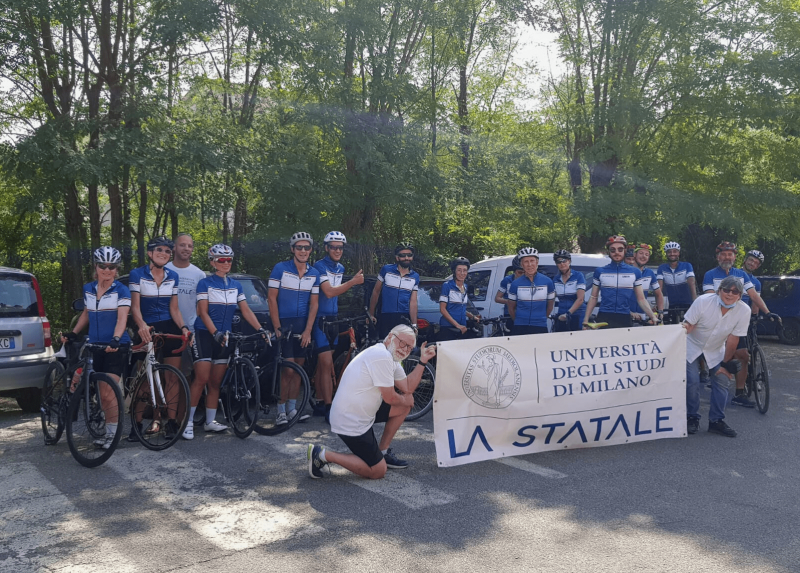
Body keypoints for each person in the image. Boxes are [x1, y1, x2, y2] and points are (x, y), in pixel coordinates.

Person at [307, 325, 436, 479]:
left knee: (405, 405)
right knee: (378, 471)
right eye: (402, 343)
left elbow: (407, 387)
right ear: (390, 337)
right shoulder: (381, 355)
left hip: (361, 412)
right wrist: (405, 399)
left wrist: (422, 362)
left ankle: (382, 452)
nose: (404, 349)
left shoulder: (391, 356)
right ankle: (322, 455)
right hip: (351, 421)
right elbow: (390, 398)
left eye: (409, 347)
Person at [184, 244, 266, 439]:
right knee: (201, 378)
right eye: (222, 260)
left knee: (215, 382)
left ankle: (210, 421)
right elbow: (202, 312)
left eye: (229, 259)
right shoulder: (205, 283)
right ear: (213, 262)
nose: (226, 263)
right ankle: (186, 422)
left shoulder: (235, 285)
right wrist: (215, 333)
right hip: (205, 334)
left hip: (225, 336)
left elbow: (245, 310)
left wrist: (261, 329)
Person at [63, 247, 130, 449]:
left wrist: (116, 339)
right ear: (96, 266)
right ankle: (107, 430)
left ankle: (111, 436)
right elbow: (86, 313)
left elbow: (122, 318)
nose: (107, 270)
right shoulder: (88, 288)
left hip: (116, 346)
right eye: (103, 266)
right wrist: (74, 333)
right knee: (101, 392)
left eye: (112, 267)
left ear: (117, 269)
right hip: (96, 345)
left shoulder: (121, 290)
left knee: (108, 392)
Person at [128, 236, 189, 441]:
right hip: (146, 327)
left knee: (173, 377)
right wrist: (142, 325)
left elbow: (174, 308)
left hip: (168, 327)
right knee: (143, 379)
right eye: (159, 250)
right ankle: (136, 424)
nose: (164, 253)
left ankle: (171, 423)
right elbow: (135, 307)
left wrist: (183, 327)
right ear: (150, 253)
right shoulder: (137, 274)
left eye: (167, 251)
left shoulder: (173, 276)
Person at [702, 242, 778, 408]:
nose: (727, 257)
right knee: (719, 357)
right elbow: (709, 298)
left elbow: (753, 295)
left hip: (737, 322)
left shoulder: (742, 275)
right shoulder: (710, 275)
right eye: (723, 254)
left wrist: (767, 312)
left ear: (735, 257)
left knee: (743, 355)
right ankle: (717, 385)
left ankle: (739, 393)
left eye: (730, 255)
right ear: (718, 256)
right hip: (717, 322)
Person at [682, 276, 751, 437]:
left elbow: (733, 339)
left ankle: (716, 421)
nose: (729, 294)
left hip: (716, 349)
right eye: (726, 289)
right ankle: (692, 417)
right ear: (719, 290)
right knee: (692, 381)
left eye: (735, 291)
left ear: (740, 295)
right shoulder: (703, 301)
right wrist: (682, 329)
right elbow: (689, 325)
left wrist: (725, 365)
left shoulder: (744, 310)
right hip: (692, 345)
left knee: (722, 380)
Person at [268, 232, 320, 425]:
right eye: (299, 247)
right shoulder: (280, 268)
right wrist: (277, 326)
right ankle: (280, 411)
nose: (303, 251)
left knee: (298, 369)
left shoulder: (313, 273)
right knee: (287, 370)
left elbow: (314, 305)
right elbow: (271, 298)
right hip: (284, 324)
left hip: (302, 325)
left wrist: (308, 330)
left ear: (311, 250)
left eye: (307, 248)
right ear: (292, 249)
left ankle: (292, 409)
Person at [312, 231, 364, 423]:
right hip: (320, 320)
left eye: (340, 247)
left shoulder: (340, 267)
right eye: (333, 247)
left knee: (323, 364)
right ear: (326, 248)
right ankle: (328, 407)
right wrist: (352, 282)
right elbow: (329, 292)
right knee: (326, 364)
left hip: (333, 318)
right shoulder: (319, 266)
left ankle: (318, 400)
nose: (337, 250)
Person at [583, 235, 658, 329]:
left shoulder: (635, 272)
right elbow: (594, 297)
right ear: (608, 252)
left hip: (624, 317)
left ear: (625, 250)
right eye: (613, 250)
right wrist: (585, 320)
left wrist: (652, 316)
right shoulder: (600, 271)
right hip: (604, 315)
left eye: (620, 249)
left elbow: (641, 299)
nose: (616, 253)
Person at [166, 233, 207, 375]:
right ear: (174, 248)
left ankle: (186, 399)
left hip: (189, 332)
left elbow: (201, 306)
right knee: (163, 375)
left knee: (186, 375)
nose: (186, 248)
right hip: (166, 330)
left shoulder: (199, 274)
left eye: (190, 246)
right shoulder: (164, 269)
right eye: (182, 245)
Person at [369, 242, 420, 338]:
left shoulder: (415, 277)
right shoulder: (386, 270)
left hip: (404, 317)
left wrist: (414, 324)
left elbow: (413, 302)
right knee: (385, 347)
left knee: (401, 348)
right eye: (402, 255)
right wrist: (371, 314)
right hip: (386, 315)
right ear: (397, 257)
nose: (406, 258)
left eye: (409, 255)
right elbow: (376, 292)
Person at [506, 247, 555, 335]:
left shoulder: (548, 282)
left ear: (537, 262)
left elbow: (550, 306)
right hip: (520, 326)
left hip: (540, 326)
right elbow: (511, 308)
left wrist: (542, 318)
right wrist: (518, 320)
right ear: (521, 264)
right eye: (526, 261)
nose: (529, 265)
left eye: (532, 261)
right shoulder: (515, 284)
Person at [438, 257, 480, 341]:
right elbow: (442, 309)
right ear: (454, 271)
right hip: (449, 328)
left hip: (462, 327)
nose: (462, 273)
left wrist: (472, 316)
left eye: (465, 270)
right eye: (459, 270)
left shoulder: (465, 287)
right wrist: (457, 325)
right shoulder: (447, 286)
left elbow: (459, 308)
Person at [656, 241, 697, 313]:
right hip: (671, 304)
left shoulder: (687, 265)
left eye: (675, 251)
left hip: (688, 303)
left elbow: (692, 283)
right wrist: (658, 305)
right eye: (669, 252)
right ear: (666, 253)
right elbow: (659, 287)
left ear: (679, 253)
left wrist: (695, 301)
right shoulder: (662, 268)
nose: (672, 254)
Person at [552, 250, 586, 332]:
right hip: (561, 315)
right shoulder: (556, 279)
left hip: (577, 315)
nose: (562, 264)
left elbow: (580, 299)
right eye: (559, 262)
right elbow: (551, 297)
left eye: (564, 261)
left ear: (569, 261)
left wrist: (568, 314)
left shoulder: (578, 276)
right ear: (556, 264)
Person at [630, 243, 664, 323]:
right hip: (626, 315)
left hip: (642, 316)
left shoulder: (650, 273)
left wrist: (660, 312)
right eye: (641, 253)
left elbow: (658, 294)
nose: (643, 256)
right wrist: (629, 312)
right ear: (635, 255)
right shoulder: (626, 271)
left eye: (646, 254)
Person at [494, 256, 523, 332]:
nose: (522, 275)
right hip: (509, 315)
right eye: (519, 272)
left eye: (524, 272)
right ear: (514, 271)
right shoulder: (507, 280)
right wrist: (510, 302)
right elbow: (497, 298)